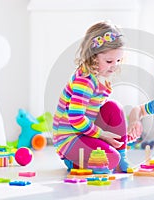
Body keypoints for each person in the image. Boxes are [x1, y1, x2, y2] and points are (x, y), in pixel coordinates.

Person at [53, 21, 129, 173]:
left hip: (85, 133)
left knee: (114, 108)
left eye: (118, 60)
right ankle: (74, 161)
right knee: (111, 159)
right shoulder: (85, 81)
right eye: (109, 61)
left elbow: (101, 112)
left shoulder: (102, 77)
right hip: (70, 139)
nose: (114, 66)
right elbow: (76, 119)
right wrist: (102, 134)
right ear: (93, 57)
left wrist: (117, 134)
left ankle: (122, 156)